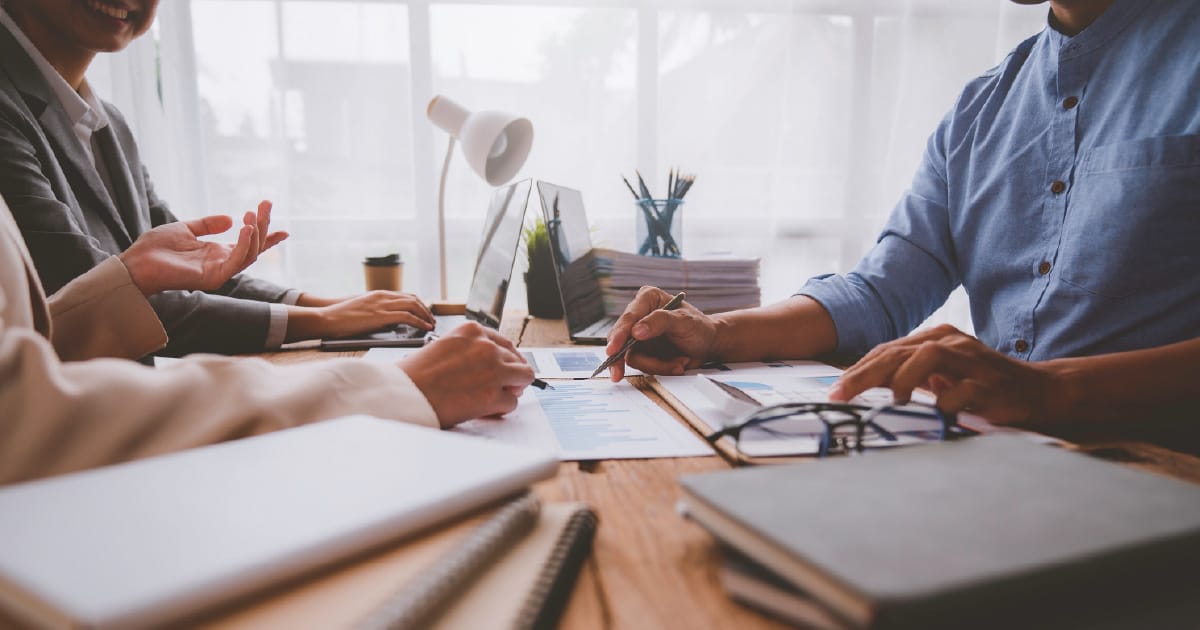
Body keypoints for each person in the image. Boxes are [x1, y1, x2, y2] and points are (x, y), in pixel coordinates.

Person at [606, 0, 1200, 431]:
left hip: (1163, 472)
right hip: (994, 456)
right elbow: (882, 289)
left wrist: (1048, 390)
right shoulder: (980, 109)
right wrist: (715, 333)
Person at [0, 191, 535, 486]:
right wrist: (391, 385)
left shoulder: (107, 120)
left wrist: (122, 282)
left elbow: (22, 345)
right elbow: (19, 415)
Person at [0, 0, 437, 357]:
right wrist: (321, 322)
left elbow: (185, 268)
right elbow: (104, 297)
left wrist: (326, 304)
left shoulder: (105, 121)